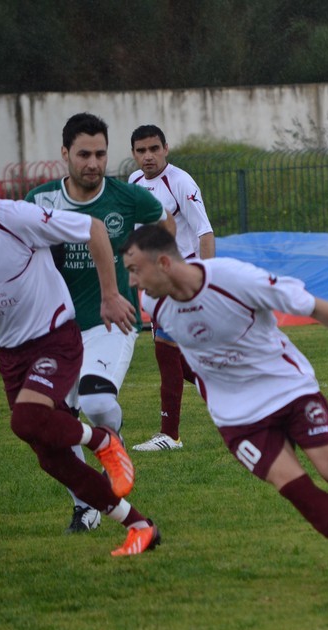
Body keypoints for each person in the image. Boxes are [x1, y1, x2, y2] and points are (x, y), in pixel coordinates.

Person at [120, 224, 328, 587]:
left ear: (164, 263)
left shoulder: (234, 279)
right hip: (237, 416)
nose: (133, 281)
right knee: (298, 491)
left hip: (287, 388)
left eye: (135, 270)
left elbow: (315, 307)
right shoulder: (154, 302)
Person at [0, 146, 160, 557]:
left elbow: (94, 229)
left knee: (26, 420)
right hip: (10, 355)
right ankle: (139, 526)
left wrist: (109, 295)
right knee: (52, 458)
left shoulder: (17, 216)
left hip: (55, 338)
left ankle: (102, 439)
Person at [26, 113, 175, 533]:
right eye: (84, 154)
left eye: (100, 154)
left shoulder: (126, 197)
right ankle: (85, 506)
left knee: (94, 403)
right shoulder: (40, 200)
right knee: (56, 426)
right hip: (55, 331)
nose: (93, 163)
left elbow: (164, 222)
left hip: (111, 322)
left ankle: (113, 442)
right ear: (65, 154)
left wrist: (154, 268)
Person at [127, 124, 215, 453]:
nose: (148, 156)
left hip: (179, 277)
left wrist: (206, 281)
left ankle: (170, 435)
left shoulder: (180, 182)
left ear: (166, 148)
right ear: (133, 154)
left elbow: (205, 232)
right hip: (154, 281)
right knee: (178, 357)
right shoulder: (134, 182)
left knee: (165, 352)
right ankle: (237, 396)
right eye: (141, 150)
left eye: (154, 148)